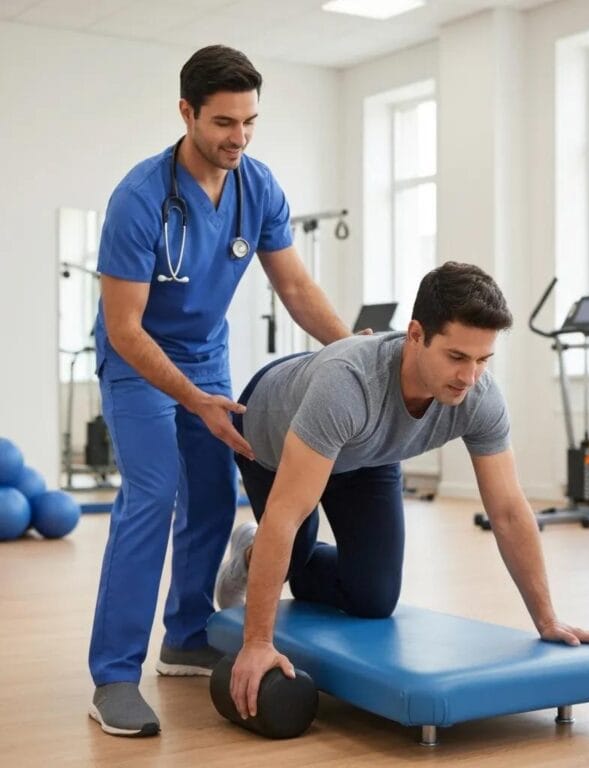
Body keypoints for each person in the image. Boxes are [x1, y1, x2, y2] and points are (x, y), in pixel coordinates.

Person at [214, 261, 589, 720]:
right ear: (415, 335)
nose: (469, 377)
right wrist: (257, 643)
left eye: (482, 360)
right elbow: (286, 515)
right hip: (273, 432)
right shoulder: (347, 385)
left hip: (368, 451)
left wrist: (547, 620)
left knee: (374, 598)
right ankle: (251, 553)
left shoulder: (479, 396)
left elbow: (508, 510)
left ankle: (286, 558)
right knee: (292, 541)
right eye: (456, 357)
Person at [88, 45, 353, 737]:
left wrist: (356, 350)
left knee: (212, 495)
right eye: (224, 122)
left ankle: (185, 635)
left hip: (205, 354)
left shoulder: (256, 186)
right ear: (187, 113)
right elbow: (124, 328)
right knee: (153, 493)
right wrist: (192, 398)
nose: (239, 137)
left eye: (250, 122)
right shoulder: (140, 199)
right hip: (136, 356)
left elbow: (295, 286)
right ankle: (113, 675)